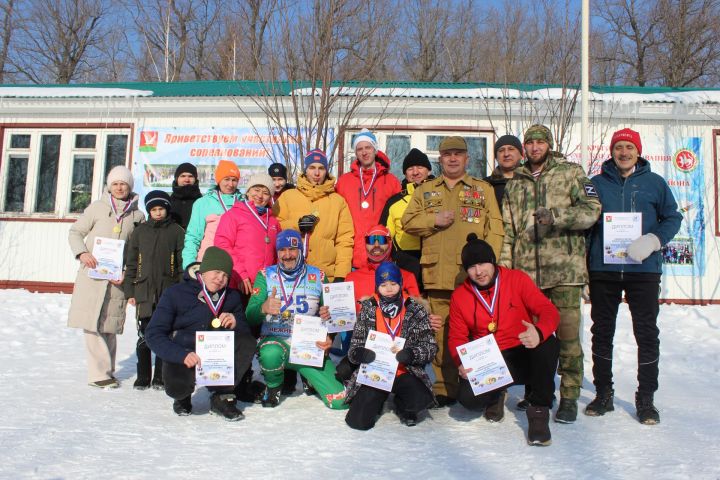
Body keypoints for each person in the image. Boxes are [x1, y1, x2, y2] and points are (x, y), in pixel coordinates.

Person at [500, 124, 601, 423]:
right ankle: (538, 391)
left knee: (568, 340)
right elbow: (507, 230)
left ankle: (569, 395)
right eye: (529, 143)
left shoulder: (570, 172)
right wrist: (506, 270)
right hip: (527, 276)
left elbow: (592, 209)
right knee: (532, 338)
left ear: (549, 145)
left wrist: (557, 218)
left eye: (539, 143)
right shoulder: (515, 182)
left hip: (565, 272)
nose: (534, 148)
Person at [586, 128, 682, 425]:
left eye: (629, 147)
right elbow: (587, 226)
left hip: (644, 270)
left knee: (646, 334)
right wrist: (584, 267)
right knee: (602, 333)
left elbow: (673, 217)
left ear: (637, 151)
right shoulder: (596, 184)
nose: (624, 152)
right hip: (605, 269)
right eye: (619, 147)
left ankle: (646, 398)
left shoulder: (655, 183)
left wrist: (653, 240)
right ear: (612, 151)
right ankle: (603, 393)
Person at [402, 135, 504, 406]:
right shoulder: (425, 190)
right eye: (448, 154)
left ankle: (486, 384)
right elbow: (407, 221)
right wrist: (433, 219)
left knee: (482, 330)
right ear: (441, 159)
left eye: (459, 153)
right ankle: (445, 387)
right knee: (441, 332)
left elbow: (495, 229)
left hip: (474, 277)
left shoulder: (483, 189)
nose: (453, 158)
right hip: (439, 274)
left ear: (467, 158)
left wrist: (488, 267)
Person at [449, 235, 560, 446]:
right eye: (471, 267)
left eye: (482, 263)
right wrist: (460, 362)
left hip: (522, 351)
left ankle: (538, 412)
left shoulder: (517, 279)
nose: (478, 271)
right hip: (490, 359)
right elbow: (457, 336)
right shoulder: (460, 296)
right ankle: (496, 394)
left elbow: (549, 311)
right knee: (468, 400)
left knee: (548, 343)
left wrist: (539, 330)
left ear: (493, 261)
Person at [145, 247, 256, 420]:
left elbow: (245, 333)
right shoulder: (175, 293)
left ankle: (222, 395)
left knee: (246, 342)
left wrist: (236, 321)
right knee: (177, 387)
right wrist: (180, 355)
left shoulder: (232, 297)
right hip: (185, 350)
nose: (220, 279)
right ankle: (182, 397)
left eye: (225, 276)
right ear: (203, 270)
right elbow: (153, 334)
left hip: (215, 354)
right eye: (217, 272)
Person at [245, 230, 348, 410]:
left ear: (301, 251)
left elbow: (334, 315)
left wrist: (330, 333)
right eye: (282, 250)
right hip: (276, 340)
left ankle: (309, 378)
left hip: (309, 345)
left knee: (339, 401)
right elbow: (250, 315)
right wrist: (263, 308)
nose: (287, 255)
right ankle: (274, 387)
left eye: (292, 249)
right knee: (270, 354)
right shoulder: (265, 275)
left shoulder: (319, 276)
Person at [67, 165, 145, 388]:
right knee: (91, 323)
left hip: (117, 278)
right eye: (116, 184)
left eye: (124, 184)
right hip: (92, 275)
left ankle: (107, 371)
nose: (120, 188)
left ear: (130, 186)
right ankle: (98, 374)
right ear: (109, 186)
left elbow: (138, 248)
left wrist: (127, 274)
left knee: (109, 325)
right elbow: (75, 232)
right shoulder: (97, 208)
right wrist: (82, 253)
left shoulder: (137, 215)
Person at [344, 262, 437, 430]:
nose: (389, 289)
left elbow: (430, 347)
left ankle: (403, 404)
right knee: (357, 421)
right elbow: (354, 345)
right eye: (383, 284)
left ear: (401, 284)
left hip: (404, 370)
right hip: (376, 371)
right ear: (377, 286)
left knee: (419, 399)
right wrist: (360, 354)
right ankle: (377, 400)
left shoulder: (415, 309)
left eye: (393, 284)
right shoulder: (368, 308)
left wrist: (412, 354)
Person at [124, 190, 185, 390]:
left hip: (167, 292)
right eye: (154, 209)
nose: (158, 213)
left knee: (164, 334)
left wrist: (178, 288)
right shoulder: (140, 232)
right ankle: (143, 376)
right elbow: (131, 263)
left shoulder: (176, 231)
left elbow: (180, 263)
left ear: (166, 210)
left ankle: (160, 376)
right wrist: (130, 291)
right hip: (144, 291)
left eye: (161, 209)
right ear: (149, 211)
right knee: (145, 333)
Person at [274, 149, 353, 282]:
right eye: (312, 168)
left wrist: (341, 274)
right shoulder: (288, 196)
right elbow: (274, 227)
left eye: (321, 168)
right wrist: (296, 225)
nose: (317, 173)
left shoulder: (338, 201)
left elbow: (345, 241)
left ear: (326, 171)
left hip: (325, 276)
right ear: (305, 170)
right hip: (290, 273)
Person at [336, 129, 401, 269]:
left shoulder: (391, 182)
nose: (364, 152)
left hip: (382, 259)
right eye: (359, 149)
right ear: (356, 153)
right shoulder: (343, 182)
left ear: (375, 149)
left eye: (368, 147)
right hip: (351, 259)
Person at [214, 173, 280, 295]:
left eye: (266, 193)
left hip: (266, 285)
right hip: (240, 282)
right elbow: (222, 246)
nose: (260, 196)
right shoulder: (233, 215)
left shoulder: (273, 221)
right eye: (256, 190)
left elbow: (277, 253)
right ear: (248, 192)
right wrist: (240, 273)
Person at [379, 148, 435, 288]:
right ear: (405, 173)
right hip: (407, 265)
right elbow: (384, 236)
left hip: (437, 262)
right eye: (410, 168)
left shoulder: (441, 194)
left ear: (428, 170)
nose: (415, 172)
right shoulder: (394, 202)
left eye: (420, 167)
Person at [182, 160, 239, 269]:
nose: (230, 184)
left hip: (236, 266)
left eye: (234, 180)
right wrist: (189, 266)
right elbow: (193, 237)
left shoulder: (243, 203)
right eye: (226, 179)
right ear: (218, 180)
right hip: (208, 264)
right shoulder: (203, 203)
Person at [484, 135, 522, 208]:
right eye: (501, 150)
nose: (506, 154)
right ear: (496, 157)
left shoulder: (533, 182)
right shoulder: (485, 186)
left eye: (511, 149)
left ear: (521, 154)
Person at [169, 162, 202, 229]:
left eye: (190, 176)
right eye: (183, 176)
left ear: (195, 179)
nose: (187, 180)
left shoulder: (202, 202)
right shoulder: (168, 202)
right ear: (177, 178)